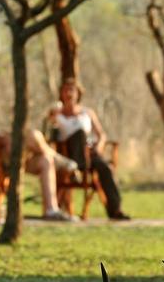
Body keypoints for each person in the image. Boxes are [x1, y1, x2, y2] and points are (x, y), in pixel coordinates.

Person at [0, 81, 78, 222]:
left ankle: (51, 210)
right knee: (32, 135)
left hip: (8, 151)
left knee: (45, 160)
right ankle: (61, 161)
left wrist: (5, 135)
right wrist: (2, 138)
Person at [46, 77, 129, 220]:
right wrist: (53, 115)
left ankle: (115, 209)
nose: (69, 94)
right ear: (62, 94)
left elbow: (101, 135)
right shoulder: (58, 114)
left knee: (106, 168)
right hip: (69, 155)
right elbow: (50, 131)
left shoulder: (87, 112)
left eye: (72, 91)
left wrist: (99, 147)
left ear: (78, 94)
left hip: (90, 152)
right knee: (79, 133)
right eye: (66, 91)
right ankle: (77, 167)